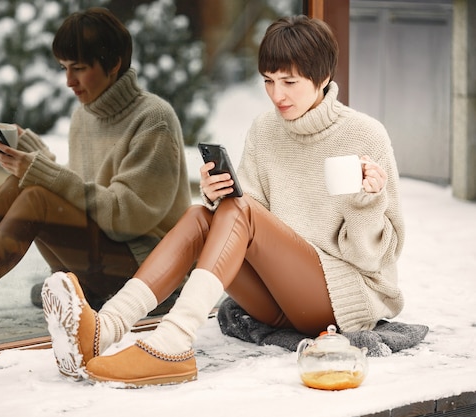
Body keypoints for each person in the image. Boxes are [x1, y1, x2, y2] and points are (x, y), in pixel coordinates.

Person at [42, 15, 405, 387]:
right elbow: (248, 218)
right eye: (268, 80)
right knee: (202, 215)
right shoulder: (266, 130)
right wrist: (218, 197)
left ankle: (172, 343)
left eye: (290, 82)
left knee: (238, 210)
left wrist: (366, 203)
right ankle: (106, 326)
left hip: (341, 299)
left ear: (324, 78)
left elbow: (374, 260)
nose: (277, 95)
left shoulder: (365, 135)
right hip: (275, 300)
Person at [0, 7, 191, 322]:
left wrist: (47, 174)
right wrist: (39, 159)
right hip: (107, 261)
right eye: (64, 68)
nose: (69, 81)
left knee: (37, 196)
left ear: (115, 65)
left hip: (149, 275)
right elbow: (86, 191)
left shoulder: (153, 120)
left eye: (79, 68)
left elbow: (125, 218)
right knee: (22, 183)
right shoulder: (85, 116)